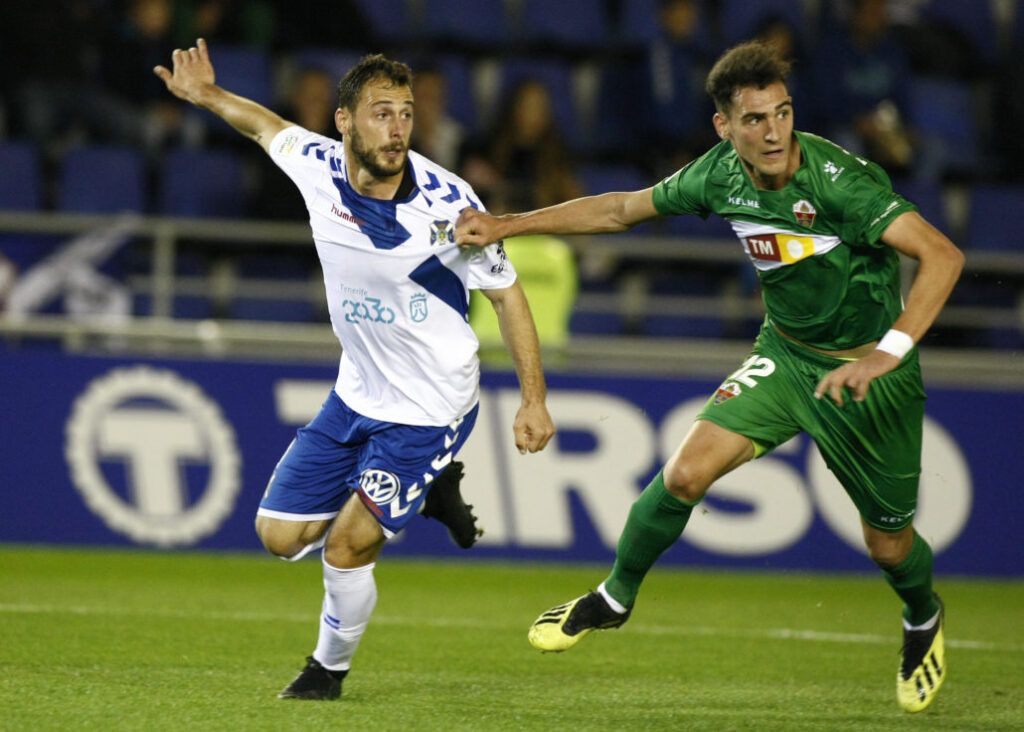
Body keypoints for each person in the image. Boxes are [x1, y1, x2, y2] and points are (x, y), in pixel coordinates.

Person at [455, 41, 963, 714]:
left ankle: (922, 615)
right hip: (785, 357)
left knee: (887, 544)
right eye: (755, 119)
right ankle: (613, 596)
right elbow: (619, 211)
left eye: (782, 113)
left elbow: (943, 254)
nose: (775, 131)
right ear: (725, 127)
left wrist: (887, 352)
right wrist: (506, 225)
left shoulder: (839, 182)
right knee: (685, 475)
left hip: (870, 374)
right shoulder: (717, 174)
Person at [154, 39, 556, 701]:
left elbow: (507, 294)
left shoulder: (449, 205)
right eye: (380, 113)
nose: (397, 128)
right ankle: (428, 492)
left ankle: (326, 672)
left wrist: (533, 400)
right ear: (343, 121)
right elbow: (267, 127)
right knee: (280, 538)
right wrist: (206, 96)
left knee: (345, 546)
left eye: (404, 113)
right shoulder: (317, 162)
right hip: (357, 392)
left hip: (431, 407)